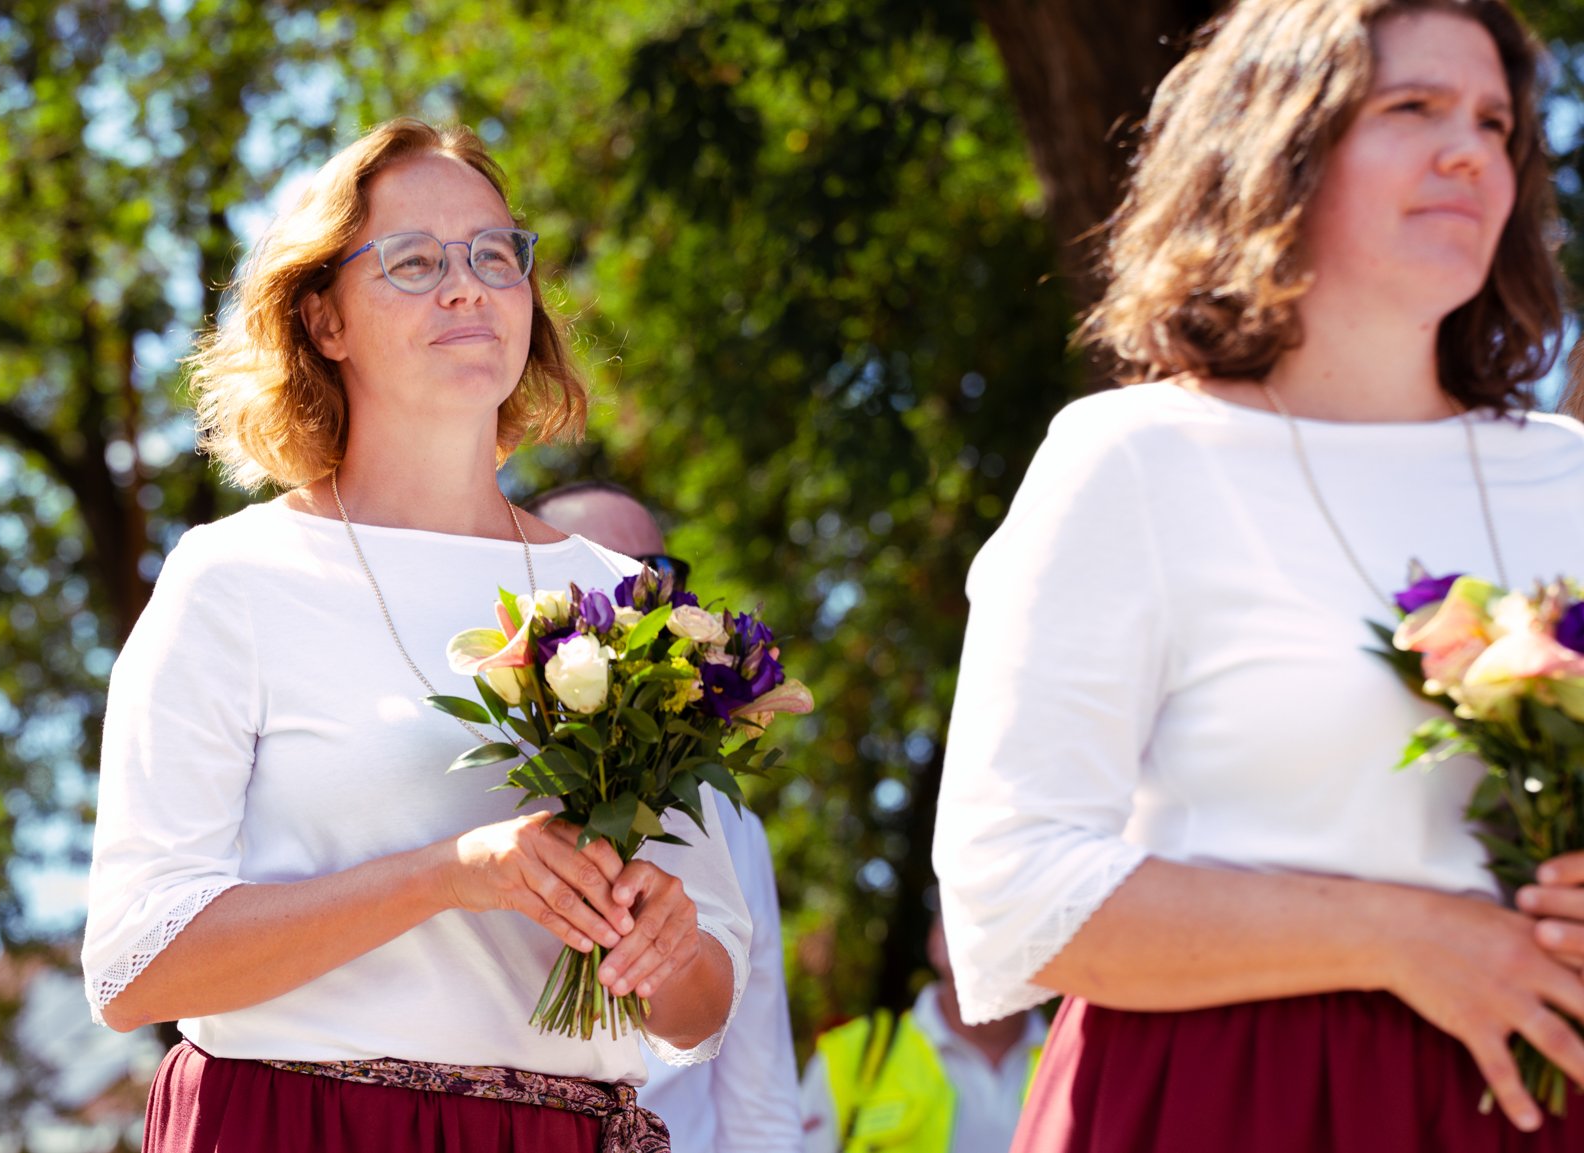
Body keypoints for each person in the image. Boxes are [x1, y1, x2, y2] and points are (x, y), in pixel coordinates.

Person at [930, 1, 1584, 1150]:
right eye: (1412, 108)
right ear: (1279, 143)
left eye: (1493, 123)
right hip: (1217, 1098)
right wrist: (1405, 938)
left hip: (1529, 1101)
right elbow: (1014, 894)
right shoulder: (1130, 457)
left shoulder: (1565, 478)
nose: (1467, 151)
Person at [79, 118, 752, 1153]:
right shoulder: (234, 579)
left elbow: (704, 1011)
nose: (465, 286)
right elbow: (135, 967)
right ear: (322, 320)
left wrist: (661, 939)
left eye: (494, 255)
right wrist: (447, 873)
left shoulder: (624, 602)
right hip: (298, 1129)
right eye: (412, 261)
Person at [526, 480, 804, 1152]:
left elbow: (757, 1083)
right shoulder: (482, 796)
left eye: (653, 576)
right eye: (596, 569)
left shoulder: (734, 829)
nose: (632, 603)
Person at [798, 906, 1044, 1153]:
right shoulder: (848, 1056)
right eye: (973, 910)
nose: (990, 935)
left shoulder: (1073, 1059)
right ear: (935, 941)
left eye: (1008, 918)